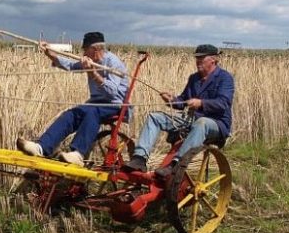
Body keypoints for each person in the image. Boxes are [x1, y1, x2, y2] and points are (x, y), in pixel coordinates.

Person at [16, 31, 129, 166]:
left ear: (95, 49)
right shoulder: (90, 60)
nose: (83, 54)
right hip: (96, 103)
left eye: (85, 50)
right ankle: (42, 147)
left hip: (115, 105)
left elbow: (112, 92)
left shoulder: (113, 63)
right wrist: (51, 55)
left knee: (92, 112)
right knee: (71, 114)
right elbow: (70, 65)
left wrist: (93, 73)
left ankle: (78, 154)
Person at [123, 44, 234, 177]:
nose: (197, 61)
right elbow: (182, 102)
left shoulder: (225, 78)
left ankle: (176, 164)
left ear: (213, 60)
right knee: (155, 117)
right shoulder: (194, 78)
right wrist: (171, 100)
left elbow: (223, 103)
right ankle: (139, 159)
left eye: (201, 58)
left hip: (216, 123)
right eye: (196, 58)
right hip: (191, 119)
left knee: (202, 123)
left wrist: (201, 103)